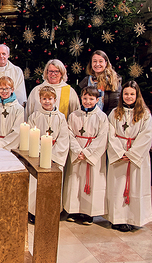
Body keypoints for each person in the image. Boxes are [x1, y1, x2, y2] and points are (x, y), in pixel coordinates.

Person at [106, 81, 152, 232]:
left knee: (135, 187)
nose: (129, 96)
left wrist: (132, 154)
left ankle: (133, 219)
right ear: (122, 95)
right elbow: (110, 134)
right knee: (117, 188)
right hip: (119, 156)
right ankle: (117, 219)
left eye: (132, 94)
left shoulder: (145, 114)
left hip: (136, 157)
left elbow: (147, 135)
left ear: (137, 95)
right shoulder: (114, 113)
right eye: (126, 94)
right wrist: (120, 153)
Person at [63, 86, 109, 225]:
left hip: (91, 154)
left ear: (97, 100)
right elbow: (69, 134)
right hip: (77, 152)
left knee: (90, 183)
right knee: (75, 181)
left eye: (91, 99)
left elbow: (102, 138)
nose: (87, 101)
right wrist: (77, 150)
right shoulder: (73, 115)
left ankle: (88, 213)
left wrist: (87, 153)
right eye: (85, 98)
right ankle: (74, 210)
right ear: (80, 98)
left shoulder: (101, 117)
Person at [27, 86, 69, 224]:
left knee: (53, 187)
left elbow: (63, 139)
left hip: (55, 158)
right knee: (36, 185)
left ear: (55, 100)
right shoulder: (34, 116)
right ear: (40, 100)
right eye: (44, 98)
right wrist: (41, 153)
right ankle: (34, 212)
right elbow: (30, 137)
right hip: (38, 157)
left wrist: (53, 156)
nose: (47, 102)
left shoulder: (61, 118)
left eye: (50, 99)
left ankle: (51, 213)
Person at [79, 50, 121, 115]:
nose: (97, 64)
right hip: (87, 117)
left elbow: (114, 105)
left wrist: (103, 119)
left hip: (106, 118)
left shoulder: (113, 81)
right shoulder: (86, 81)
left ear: (106, 63)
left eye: (100, 61)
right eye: (94, 61)